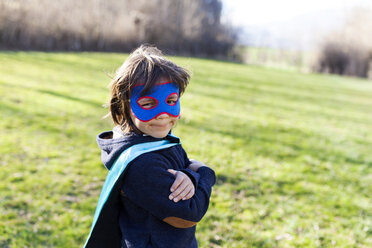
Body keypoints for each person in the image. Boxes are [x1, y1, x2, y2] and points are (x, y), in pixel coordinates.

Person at [84, 45, 216, 248]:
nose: (162, 114)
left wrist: (189, 176)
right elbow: (188, 213)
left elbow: (185, 163)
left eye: (171, 100)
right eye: (147, 104)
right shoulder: (142, 163)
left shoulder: (155, 140)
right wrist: (205, 173)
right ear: (123, 105)